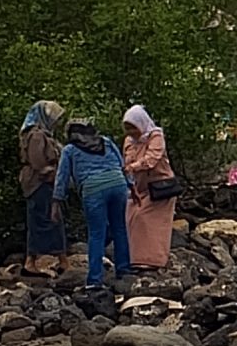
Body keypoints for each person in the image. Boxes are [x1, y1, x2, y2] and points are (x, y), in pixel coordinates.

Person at [54, 119, 131, 290]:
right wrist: (131, 185)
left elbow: (62, 177)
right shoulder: (106, 142)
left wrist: (57, 200)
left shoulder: (69, 150)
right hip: (118, 184)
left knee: (96, 234)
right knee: (120, 229)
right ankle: (124, 270)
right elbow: (122, 165)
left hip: (93, 189)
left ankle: (95, 279)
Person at [121, 105, 177, 271]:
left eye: (133, 127)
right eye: (127, 128)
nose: (131, 132)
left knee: (148, 220)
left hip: (160, 186)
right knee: (131, 217)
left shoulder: (156, 136)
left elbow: (152, 159)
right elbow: (126, 160)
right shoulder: (129, 142)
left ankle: (154, 259)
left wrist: (132, 167)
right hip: (139, 187)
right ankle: (135, 257)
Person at [18, 100, 66, 276]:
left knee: (50, 219)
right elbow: (38, 162)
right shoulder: (37, 136)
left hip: (45, 182)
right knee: (43, 219)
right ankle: (32, 261)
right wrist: (53, 171)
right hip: (39, 183)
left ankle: (60, 258)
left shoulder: (45, 135)